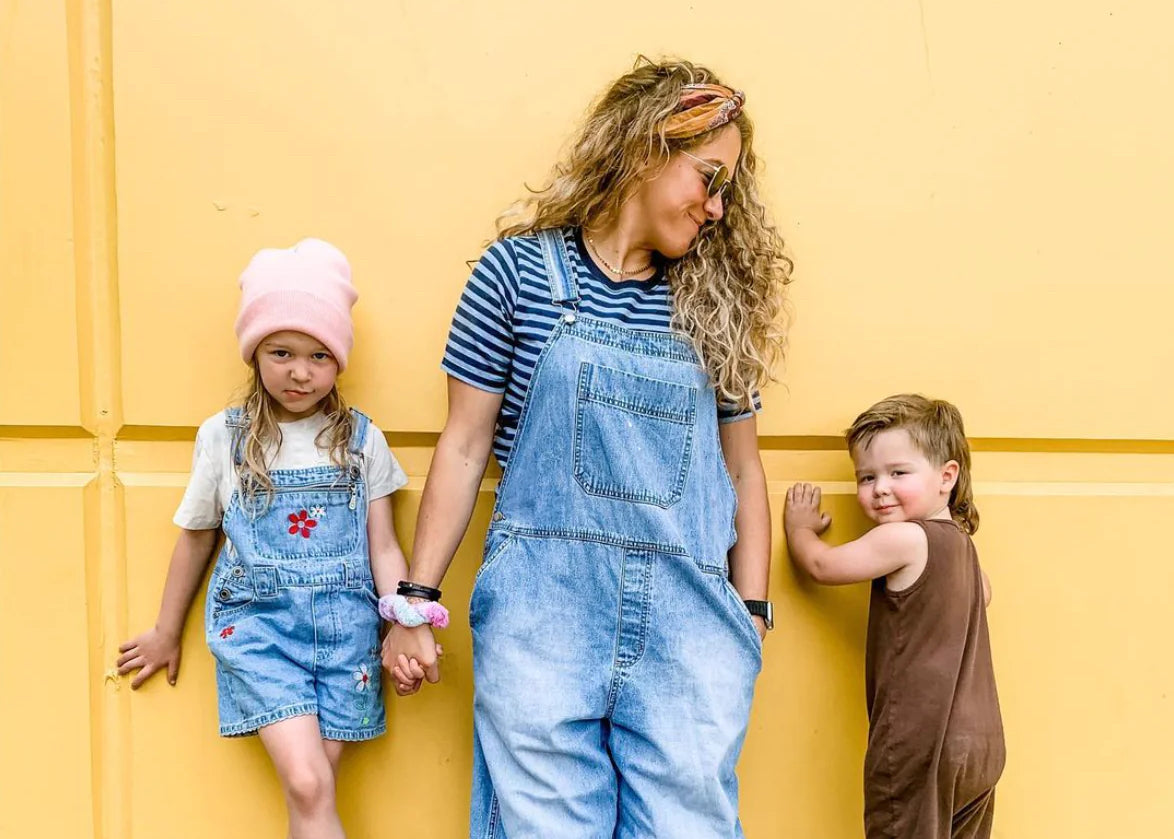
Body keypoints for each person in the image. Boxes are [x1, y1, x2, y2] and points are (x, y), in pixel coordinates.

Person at [382, 58, 791, 837]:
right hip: (545, 622)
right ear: (644, 147)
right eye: (707, 177)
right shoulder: (516, 275)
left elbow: (743, 468)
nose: (715, 207)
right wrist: (415, 602)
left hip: (691, 629)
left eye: (726, 190)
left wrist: (750, 615)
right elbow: (464, 446)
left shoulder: (712, 304)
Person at [116, 239, 410, 839]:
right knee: (308, 785)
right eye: (281, 352)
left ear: (339, 362)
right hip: (262, 633)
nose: (300, 372)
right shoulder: (224, 439)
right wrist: (166, 630)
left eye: (319, 356)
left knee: (317, 788)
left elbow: (383, 546)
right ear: (254, 354)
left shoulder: (361, 440)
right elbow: (196, 538)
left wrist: (405, 622)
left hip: (346, 637)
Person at [784, 394, 1005, 839]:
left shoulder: (904, 539)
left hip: (921, 739)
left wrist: (800, 530)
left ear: (947, 477)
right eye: (866, 477)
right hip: (980, 744)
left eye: (898, 473)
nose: (879, 487)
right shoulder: (964, 548)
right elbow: (984, 595)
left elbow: (823, 566)